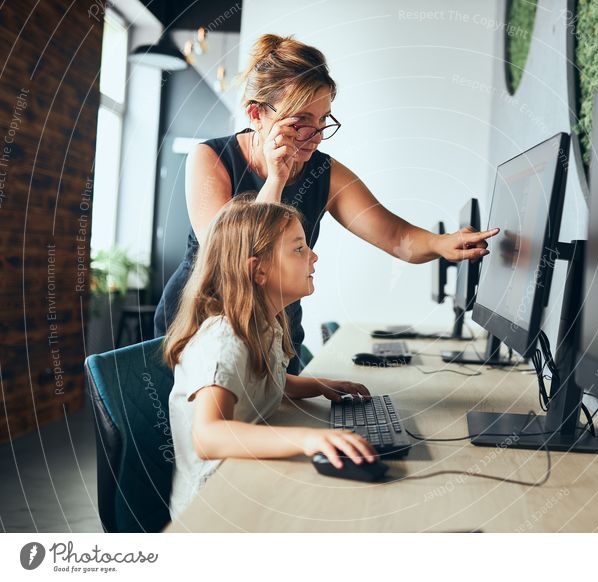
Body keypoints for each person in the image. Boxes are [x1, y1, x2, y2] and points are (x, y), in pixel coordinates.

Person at [154, 33, 499, 374]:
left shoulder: (323, 171)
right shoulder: (212, 158)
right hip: (204, 331)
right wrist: (275, 179)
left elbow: (395, 237)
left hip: (277, 333)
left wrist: (443, 244)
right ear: (256, 114)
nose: (315, 135)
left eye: (322, 120)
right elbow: (231, 257)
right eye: (300, 120)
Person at [163, 198, 377, 520]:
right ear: (259, 270)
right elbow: (209, 436)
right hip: (212, 506)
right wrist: (308, 439)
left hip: (243, 477)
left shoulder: (263, 326)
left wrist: (317, 385)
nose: (314, 256)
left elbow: (259, 381)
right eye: (299, 249)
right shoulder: (224, 341)